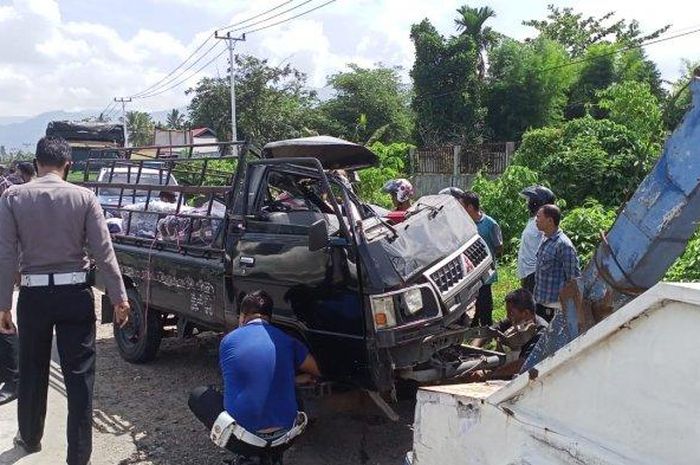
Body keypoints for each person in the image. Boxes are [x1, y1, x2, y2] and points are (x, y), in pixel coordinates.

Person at [0, 136, 130, 465]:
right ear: (68, 165)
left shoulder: (13, 197)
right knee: (79, 376)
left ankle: (30, 438)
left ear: (37, 161)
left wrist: (3, 304)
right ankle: (78, 456)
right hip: (75, 296)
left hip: (33, 296)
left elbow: (5, 255)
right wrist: (119, 298)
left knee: (31, 370)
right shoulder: (85, 197)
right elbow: (104, 252)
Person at [188, 290, 320, 465]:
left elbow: (245, 381)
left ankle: (251, 458)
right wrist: (292, 379)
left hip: (244, 441)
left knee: (198, 395)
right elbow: (317, 370)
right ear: (269, 318)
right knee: (291, 393)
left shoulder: (228, 341)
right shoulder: (286, 340)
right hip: (286, 439)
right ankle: (273, 456)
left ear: (242, 317)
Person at [467, 289, 546, 381]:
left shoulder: (541, 333)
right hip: (504, 369)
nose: (508, 316)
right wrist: (472, 350)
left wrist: (490, 374)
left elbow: (523, 363)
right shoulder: (515, 319)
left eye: (511, 313)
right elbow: (488, 332)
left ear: (526, 313)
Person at [460, 191, 503, 327]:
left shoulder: (490, 224)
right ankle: (473, 324)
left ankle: (486, 327)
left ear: (470, 208)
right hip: (468, 271)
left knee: (484, 299)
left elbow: (499, 246)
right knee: (471, 299)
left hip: (485, 270)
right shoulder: (463, 223)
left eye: (462, 206)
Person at [533, 204, 581, 322]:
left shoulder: (563, 245)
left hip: (554, 309)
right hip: (541, 304)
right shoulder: (545, 238)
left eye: (539, 217)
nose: (536, 220)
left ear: (550, 221)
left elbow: (574, 279)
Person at [517, 186, 555, 293]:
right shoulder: (534, 220)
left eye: (529, 200)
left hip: (535, 273)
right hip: (528, 273)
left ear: (536, 203)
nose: (527, 203)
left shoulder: (543, 222)